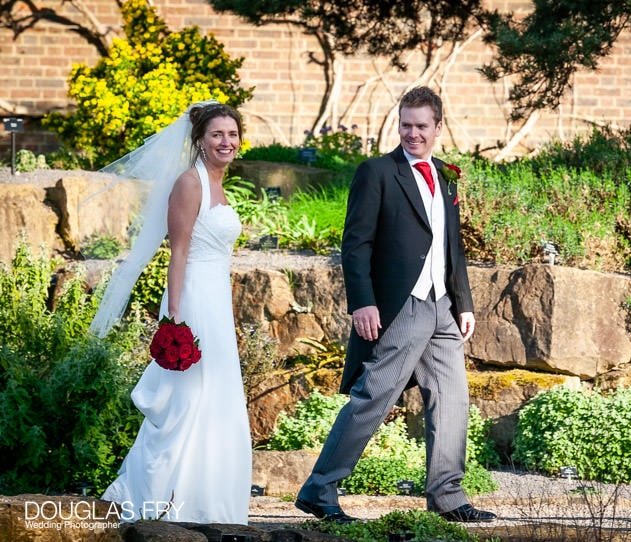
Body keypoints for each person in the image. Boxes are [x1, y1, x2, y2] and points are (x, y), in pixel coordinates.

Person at [296, 87, 496, 524]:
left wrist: (463, 302)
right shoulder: (377, 172)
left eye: (421, 126)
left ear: (438, 127)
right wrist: (362, 303)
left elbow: (451, 246)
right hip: (401, 306)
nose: (412, 134)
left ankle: (447, 494)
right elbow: (355, 243)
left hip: (441, 304)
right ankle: (319, 488)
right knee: (374, 397)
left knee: (452, 399)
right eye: (406, 124)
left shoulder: (446, 174)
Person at [91, 102, 251, 524]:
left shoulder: (220, 184)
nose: (226, 141)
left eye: (232, 134)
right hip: (194, 299)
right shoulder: (189, 183)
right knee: (186, 400)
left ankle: (207, 499)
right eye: (217, 134)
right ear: (199, 139)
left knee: (215, 397)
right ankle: (160, 498)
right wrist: (175, 318)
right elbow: (177, 252)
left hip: (217, 300)